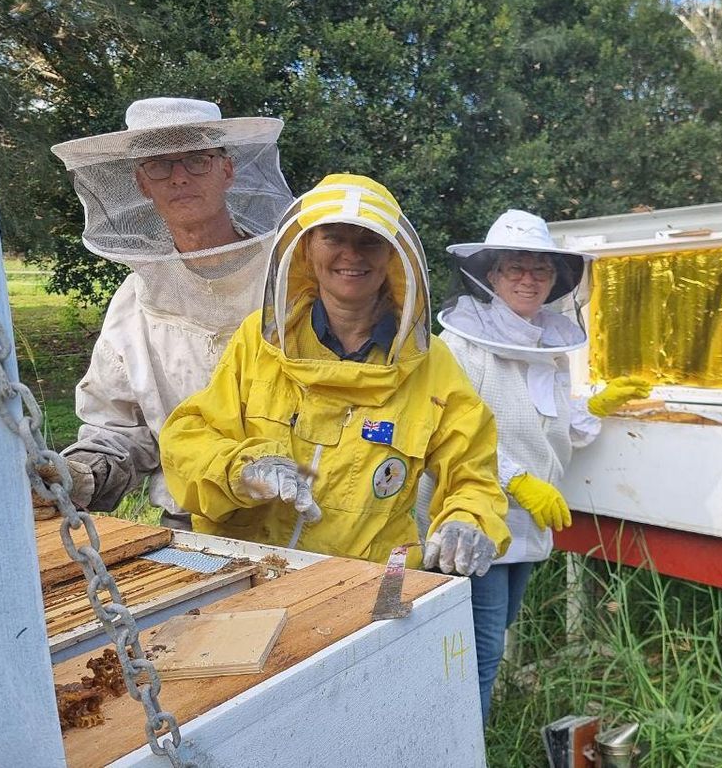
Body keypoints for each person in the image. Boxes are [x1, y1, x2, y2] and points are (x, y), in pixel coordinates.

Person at [159, 173, 510, 576]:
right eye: (334, 237)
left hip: (366, 585)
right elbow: (189, 437)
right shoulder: (259, 342)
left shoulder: (430, 363)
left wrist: (468, 520)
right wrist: (241, 470)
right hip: (245, 571)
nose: (351, 254)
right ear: (307, 247)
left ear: (393, 255)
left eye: (368, 240)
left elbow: (473, 471)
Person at [424, 209, 652, 722]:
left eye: (540, 270)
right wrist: (517, 479)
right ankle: (462, 750)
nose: (529, 279)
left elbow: (547, 421)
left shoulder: (551, 342)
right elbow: (444, 431)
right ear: (491, 274)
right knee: (479, 653)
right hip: (474, 517)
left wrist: (594, 406)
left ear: (556, 280)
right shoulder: (460, 345)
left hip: (527, 520)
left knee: (497, 629)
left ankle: (461, 734)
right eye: (515, 268)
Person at [47, 97, 293, 527]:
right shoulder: (134, 302)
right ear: (142, 182)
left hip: (305, 516)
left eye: (196, 160)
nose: (179, 177)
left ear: (227, 170)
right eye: (159, 164)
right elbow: (119, 427)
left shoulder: (294, 274)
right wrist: (84, 473)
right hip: (190, 522)